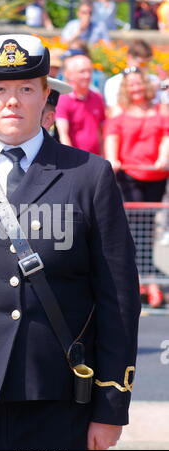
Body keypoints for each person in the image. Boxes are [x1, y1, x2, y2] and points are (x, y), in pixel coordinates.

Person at [0, 34, 141, 451]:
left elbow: (118, 298)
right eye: (0, 89)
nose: (12, 101)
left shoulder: (88, 174)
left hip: (55, 393)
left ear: (45, 95)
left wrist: (110, 406)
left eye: (26, 89)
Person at [104, 67, 169, 307]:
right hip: (130, 175)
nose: (136, 88)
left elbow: (166, 135)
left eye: (139, 84)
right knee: (134, 228)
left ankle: (146, 280)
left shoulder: (159, 112)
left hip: (155, 175)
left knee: (148, 227)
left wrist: (163, 157)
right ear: (125, 89)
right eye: (131, 85)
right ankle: (146, 283)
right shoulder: (119, 115)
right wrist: (113, 159)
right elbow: (112, 138)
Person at [55, 53, 105, 154]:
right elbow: (63, 135)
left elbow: (101, 132)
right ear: (69, 74)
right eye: (82, 72)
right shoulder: (63, 99)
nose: (87, 75)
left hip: (96, 159)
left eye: (89, 71)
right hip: (76, 160)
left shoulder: (97, 97)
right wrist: (72, 160)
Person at [103, 39, 168, 110]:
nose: (145, 67)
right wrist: (149, 88)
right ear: (129, 57)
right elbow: (115, 109)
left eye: (147, 63)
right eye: (142, 63)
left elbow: (163, 90)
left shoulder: (153, 78)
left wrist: (164, 83)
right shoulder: (114, 82)